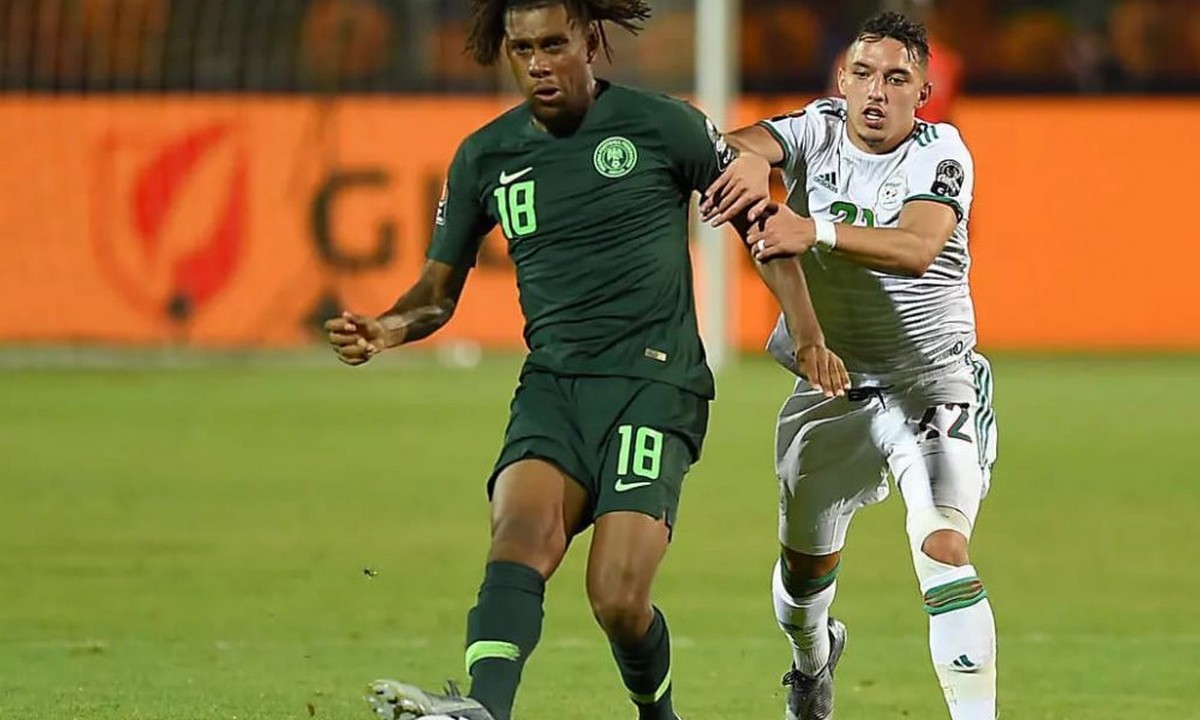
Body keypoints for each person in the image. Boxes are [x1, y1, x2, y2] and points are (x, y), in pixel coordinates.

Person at [325, 2, 849, 719]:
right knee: (518, 541)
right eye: (522, 49)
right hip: (553, 388)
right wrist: (386, 329)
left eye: (553, 45)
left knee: (617, 597)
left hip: (653, 385)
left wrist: (808, 334)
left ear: (591, 42)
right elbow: (436, 294)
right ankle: (484, 708)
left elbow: (761, 225)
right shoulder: (485, 156)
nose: (538, 64)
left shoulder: (663, 125)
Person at [701, 11, 998, 720]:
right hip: (832, 386)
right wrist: (748, 158)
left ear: (923, 93)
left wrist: (816, 229)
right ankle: (812, 660)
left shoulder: (940, 152)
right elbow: (730, 146)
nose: (877, 91)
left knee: (943, 546)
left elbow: (918, 247)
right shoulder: (816, 129)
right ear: (842, 79)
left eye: (897, 79)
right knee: (804, 577)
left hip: (932, 382)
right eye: (863, 73)